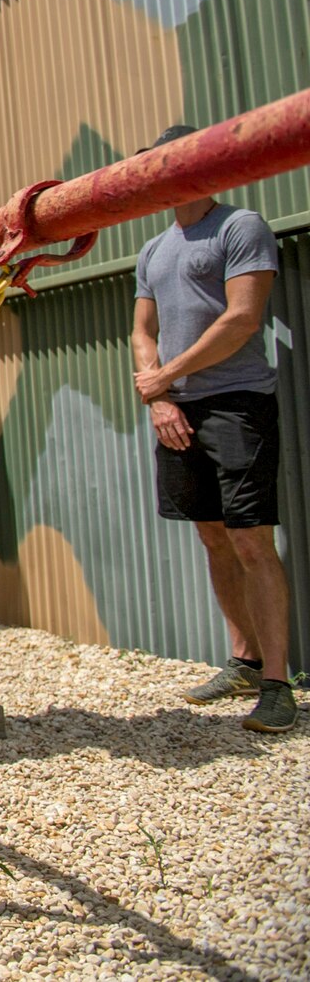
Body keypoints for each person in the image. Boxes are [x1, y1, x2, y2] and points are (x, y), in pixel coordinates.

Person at [131, 124, 294, 733]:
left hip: (237, 402)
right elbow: (140, 332)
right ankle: (244, 660)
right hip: (178, 409)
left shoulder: (239, 226)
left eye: (165, 164)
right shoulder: (154, 249)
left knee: (252, 539)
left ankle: (278, 685)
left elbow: (243, 319)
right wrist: (160, 398)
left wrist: (166, 376)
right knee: (213, 537)